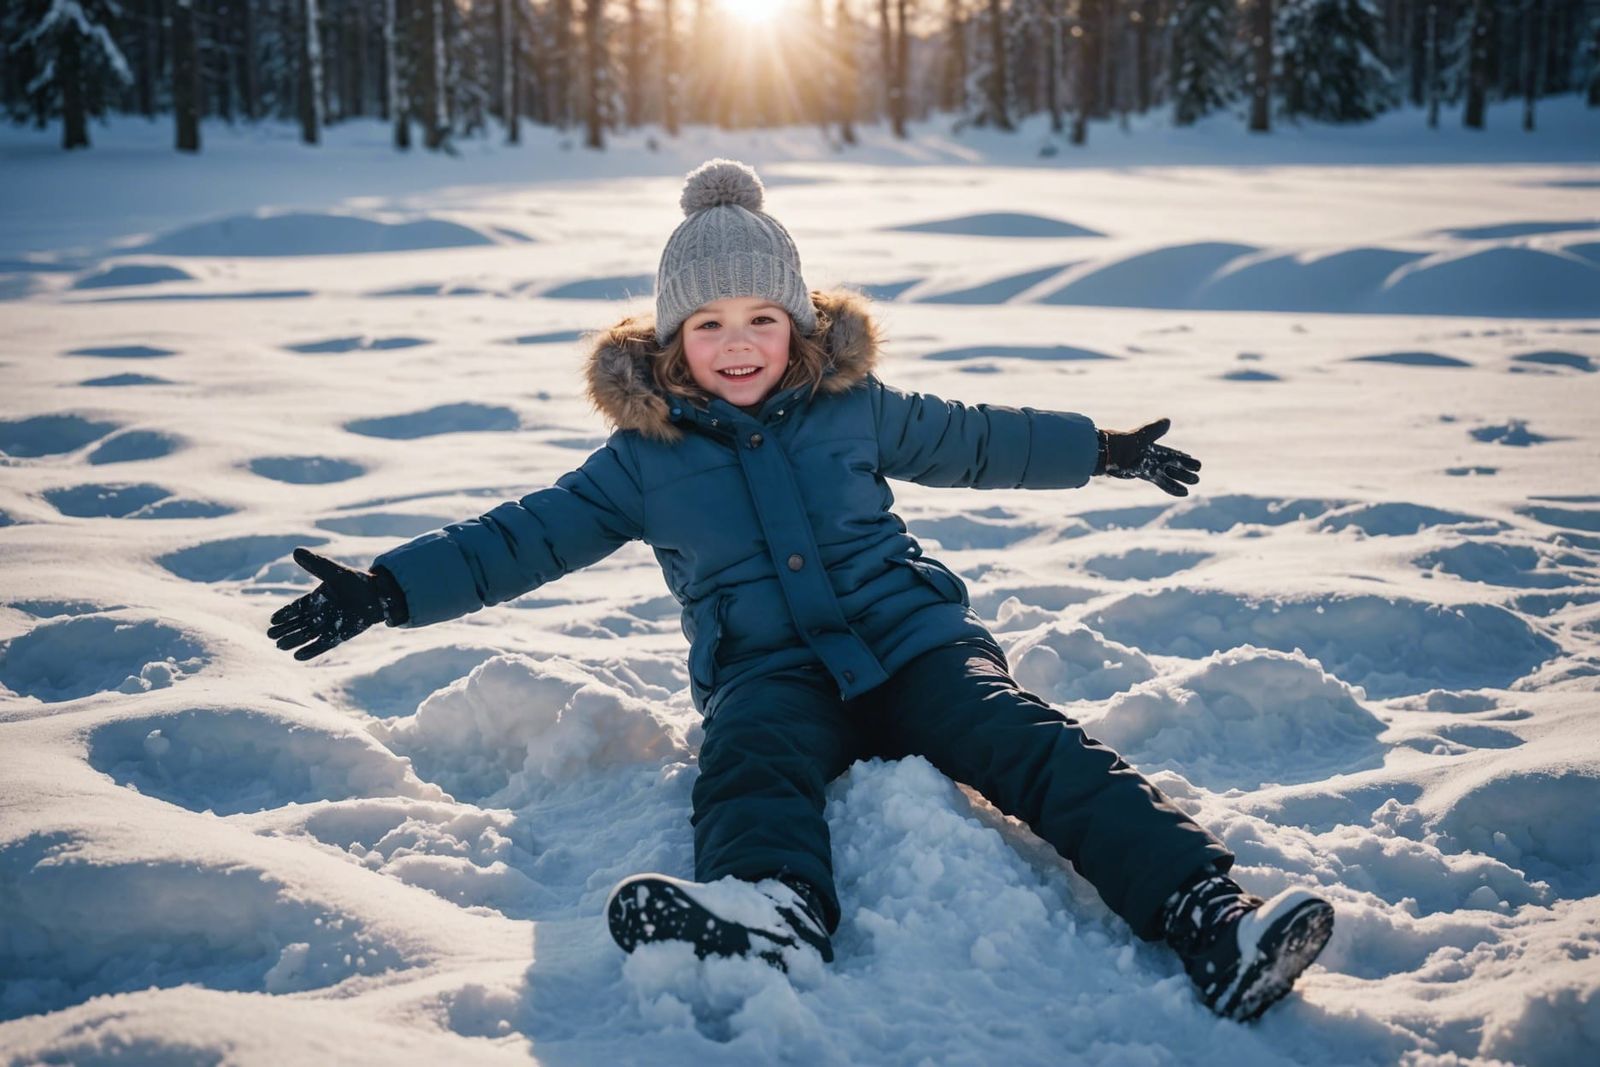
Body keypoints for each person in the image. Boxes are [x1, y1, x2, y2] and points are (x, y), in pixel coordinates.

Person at [267, 158, 1333, 1022]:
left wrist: (1097, 448)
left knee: (1031, 742)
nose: (737, 343)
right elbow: (524, 536)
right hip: (765, 670)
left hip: (913, 642)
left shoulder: (853, 405)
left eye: (761, 318)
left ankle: (1210, 915)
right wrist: (388, 590)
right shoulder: (641, 457)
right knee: (749, 765)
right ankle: (768, 908)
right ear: (670, 341)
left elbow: (975, 440)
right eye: (707, 324)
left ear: (799, 323)